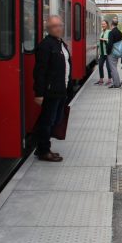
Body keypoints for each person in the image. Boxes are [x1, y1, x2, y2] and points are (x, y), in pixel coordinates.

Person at [33, 15, 70, 162]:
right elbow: (39, 71)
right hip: (51, 91)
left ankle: (43, 147)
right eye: (55, 26)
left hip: (61, 89)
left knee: (54, 120)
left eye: (60, 25)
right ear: (48, 29)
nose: (58, 28)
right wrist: (39, 93)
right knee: (47, 121)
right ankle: (43, 150)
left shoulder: (60, 44)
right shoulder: (46, 45)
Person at [106, 19, 122, 88]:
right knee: (114, 67)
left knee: (113, 69)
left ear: (111, 25)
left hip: (112, 52)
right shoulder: (119, 32)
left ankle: (116, 84)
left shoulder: (111, 33)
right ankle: (116, 83)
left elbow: (110, 44)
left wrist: (108, 52)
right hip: (117, 52)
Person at [95, 20, 112, 86]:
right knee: (100, 65)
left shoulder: (109, 32)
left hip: (107, 53)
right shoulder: (102, 32)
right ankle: (101, 79)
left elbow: (110, 41)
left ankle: (109, 80)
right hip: (102, 53)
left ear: (107, 25)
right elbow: (99, 42)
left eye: (104, 24)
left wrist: (103, 40)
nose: (103, 25)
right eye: (102, 24)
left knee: (108, 66)